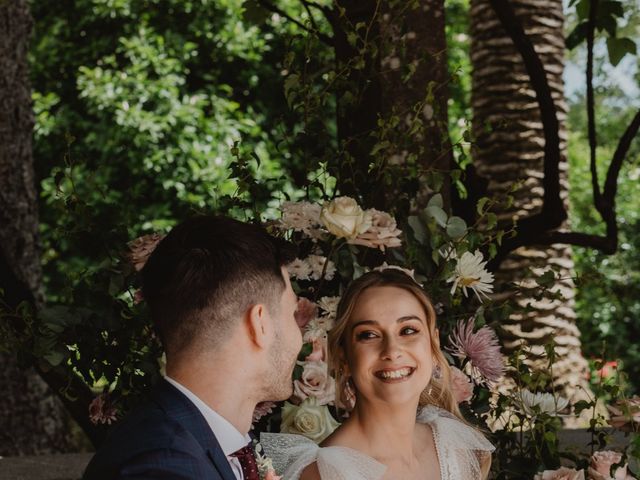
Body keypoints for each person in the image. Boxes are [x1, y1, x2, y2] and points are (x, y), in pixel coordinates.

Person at [83, 215, 303, 480]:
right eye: (292, 314)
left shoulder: (211, 442)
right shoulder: (162, 466)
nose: (299, 335)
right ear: (260, 324)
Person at [262, 269, 494, 480]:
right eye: (369, 335)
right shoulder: (325, 474)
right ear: (343, 356)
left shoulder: (457, 448)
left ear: (433, 344)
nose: (392, 351)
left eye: (408, 330)